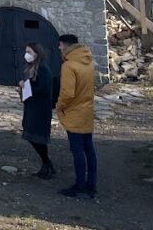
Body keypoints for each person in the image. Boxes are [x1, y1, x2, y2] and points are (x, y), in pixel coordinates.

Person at [54, 33, 97, 199]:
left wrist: (59, 106)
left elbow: (67, 92)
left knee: (77, 149)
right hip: (87, 110)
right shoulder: (88, 62)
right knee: (89, 149)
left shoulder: (69, 65)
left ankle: (79, 185)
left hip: (74, 111)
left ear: (66, 46)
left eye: (60, 45)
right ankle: (91, 184)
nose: (59, 48)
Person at [19, 42, 55, 179]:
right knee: (31, 136)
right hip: (32, 107)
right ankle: (46, 163)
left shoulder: (43, 69)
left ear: (36, 53)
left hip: (40, 109)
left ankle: (47, 164)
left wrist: (28, 87)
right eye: (26, 51)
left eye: (29, 52)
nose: (27, 54)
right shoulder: (31, 67)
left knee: (38, 138)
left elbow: (45, 89)